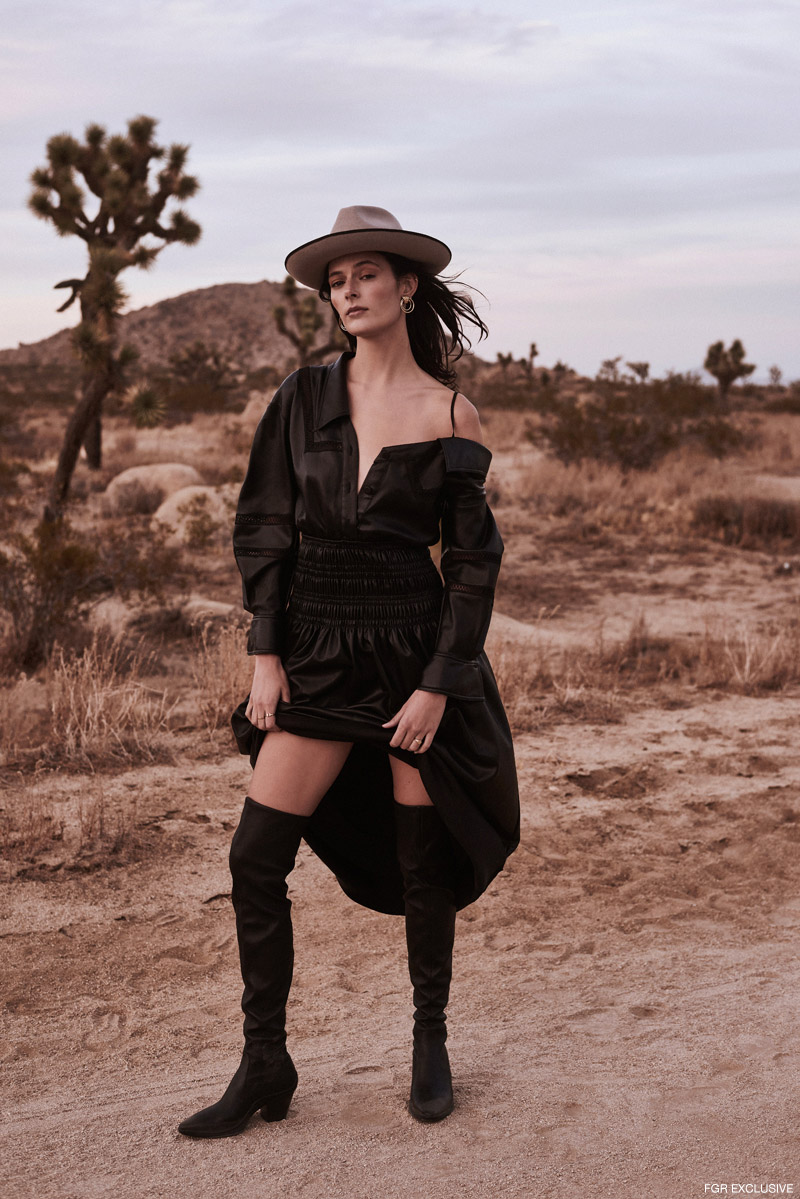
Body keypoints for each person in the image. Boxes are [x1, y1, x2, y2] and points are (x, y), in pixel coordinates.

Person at [177, 205, 520, 1139]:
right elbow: (262, 524)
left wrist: (439, 683)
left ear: (407, 287)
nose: (348, 292)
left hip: (412, 654)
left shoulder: (452, 413)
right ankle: (264, 1062)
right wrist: (264, 651)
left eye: (365, 274)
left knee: (423, 866)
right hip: (319, 652)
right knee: (254, 857)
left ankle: (429, 1041)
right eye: (335, 281)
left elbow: (473, 562)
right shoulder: (301, 397)